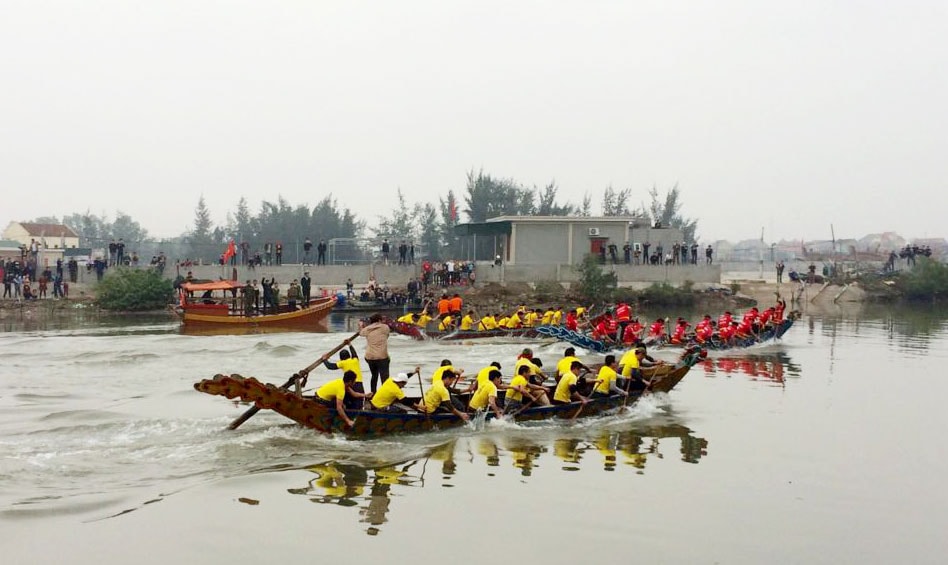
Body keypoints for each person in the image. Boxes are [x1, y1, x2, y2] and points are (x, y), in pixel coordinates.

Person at [323, 341, 366, 409]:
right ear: (349, 356)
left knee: (347, 400)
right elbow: (354, 353)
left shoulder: (343, 363)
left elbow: (330, 366)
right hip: (360, 385)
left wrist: (324, 360)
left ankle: (345, 412)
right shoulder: (355, 360)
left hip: (351, 384)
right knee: (359, 401)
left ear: (341, 358)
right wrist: (350, 345)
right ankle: (359, 413)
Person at [360, 314, 391, 393]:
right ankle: (385, 394)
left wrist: (361, 326)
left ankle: (373, 393)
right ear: (379, 320)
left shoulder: (366, 329)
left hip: (370, 357)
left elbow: (361, 333)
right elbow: (387, 335)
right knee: (384, 378)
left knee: (374, 376)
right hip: (382, 357)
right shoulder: (385, 327)